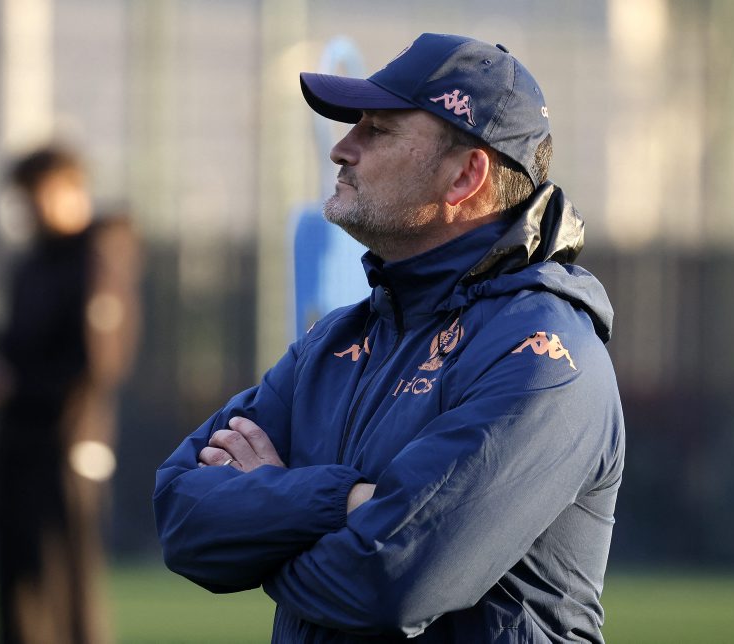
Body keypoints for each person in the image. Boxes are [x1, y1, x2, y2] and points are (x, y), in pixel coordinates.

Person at [154, 33, 624, 643]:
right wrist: (348, 501)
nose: (341, 149)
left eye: (377, 130)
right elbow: (182, 515)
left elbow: (388, 584)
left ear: (465, 175)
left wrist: (268, 529)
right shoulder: (335, 342)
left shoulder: (544, 355)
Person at [0, 145, 141, 643]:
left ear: (71, 191)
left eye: (38, 195)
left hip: (70, 445)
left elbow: (97, 366)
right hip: (18, 444)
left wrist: (17, 385)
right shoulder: (32, 264)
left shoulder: (96, 260)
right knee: (19, 585)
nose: (30, 209)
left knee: (65, 586)